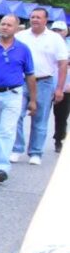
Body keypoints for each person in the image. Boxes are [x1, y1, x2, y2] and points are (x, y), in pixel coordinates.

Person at [0, 15, 37, 183]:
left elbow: (30, 75)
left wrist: (33, 100)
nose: (5, 27)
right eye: (2, 24)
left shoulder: (23, 49)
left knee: (7, 131)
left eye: (9, 25)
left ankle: (2, 167)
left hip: (13, 94)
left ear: (16, 28)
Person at [12, 7, 67, 165]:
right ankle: (16, 149)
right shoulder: (20, 36)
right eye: (33, 17)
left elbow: (63, 64)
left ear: (46, 20)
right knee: (16, 115)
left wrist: (59, 89)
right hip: (21, 81)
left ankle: (36, 152)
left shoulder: (55, 39)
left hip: (44, 82)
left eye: (38, 17)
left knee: (40, 119)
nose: (35, 20)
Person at [49, 20, 70, 153]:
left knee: (61, 115)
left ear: (65, 32)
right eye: (54, 30)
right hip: (46, 83)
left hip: (65, 85)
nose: (57, 33)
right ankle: (35, 144)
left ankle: (59, 139)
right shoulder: (47, 43)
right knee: (40, 115)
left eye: (59, 30)